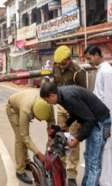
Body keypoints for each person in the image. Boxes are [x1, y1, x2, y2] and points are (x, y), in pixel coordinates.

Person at [40, 82, 111, 186]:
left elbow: (90, 120)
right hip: (94, 120)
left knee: (93, 163)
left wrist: (77, 139)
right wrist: (66, 124)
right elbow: (76, 111)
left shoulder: (68, 97)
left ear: (52, 95)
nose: (48, 103)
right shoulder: (61, 96)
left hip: (100, 122)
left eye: (47, 100)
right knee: (88, 157)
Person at [52, 45, 87, 186]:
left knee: (73, 141)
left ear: (69, 59)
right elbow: (54, 84)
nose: (61, 66)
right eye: (58, 64)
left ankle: (71, 173)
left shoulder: (78, 72)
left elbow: (83, 94)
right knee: (60, 137)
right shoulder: (56, 67)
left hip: (74, 108)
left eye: (63, 63)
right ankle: (61, 167)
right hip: (61, 107)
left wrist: (79, 117)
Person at [7, 89, 54, 184]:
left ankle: (26, 161)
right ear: (33, 112)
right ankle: (20, 170)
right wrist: (39, 153)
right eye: (38, 119)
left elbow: (51, 122)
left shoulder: (48, 106)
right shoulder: (26, 110)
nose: (40, 121)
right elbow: (25, 137)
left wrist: (50, 136)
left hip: (25, 101)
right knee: (20, 139)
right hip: (13, 109)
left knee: (25, 139)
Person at [84, 46, 112, 186]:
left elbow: (108, 97)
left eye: (89, 58)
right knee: (100, 152)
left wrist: (108, 123)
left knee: (105, 151)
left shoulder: (106, 71)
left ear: (96, 55)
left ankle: (106, 182)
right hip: (100, 117)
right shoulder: (101, 70)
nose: (89, 62)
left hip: (105, 118)